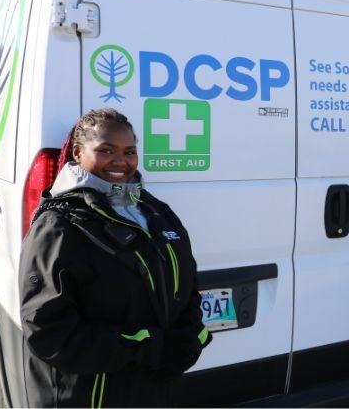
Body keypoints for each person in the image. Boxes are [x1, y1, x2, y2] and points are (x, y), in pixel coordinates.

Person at [19, 108, 212, 407]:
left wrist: (189, 338)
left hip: (155, 391)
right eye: (106, 150)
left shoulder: (157, 213)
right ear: (78, 153)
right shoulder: (58, 226)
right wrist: (146, 347)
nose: (121, 160)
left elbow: (186, 284)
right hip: (90, 396)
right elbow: (48, 330)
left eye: (129, 151)